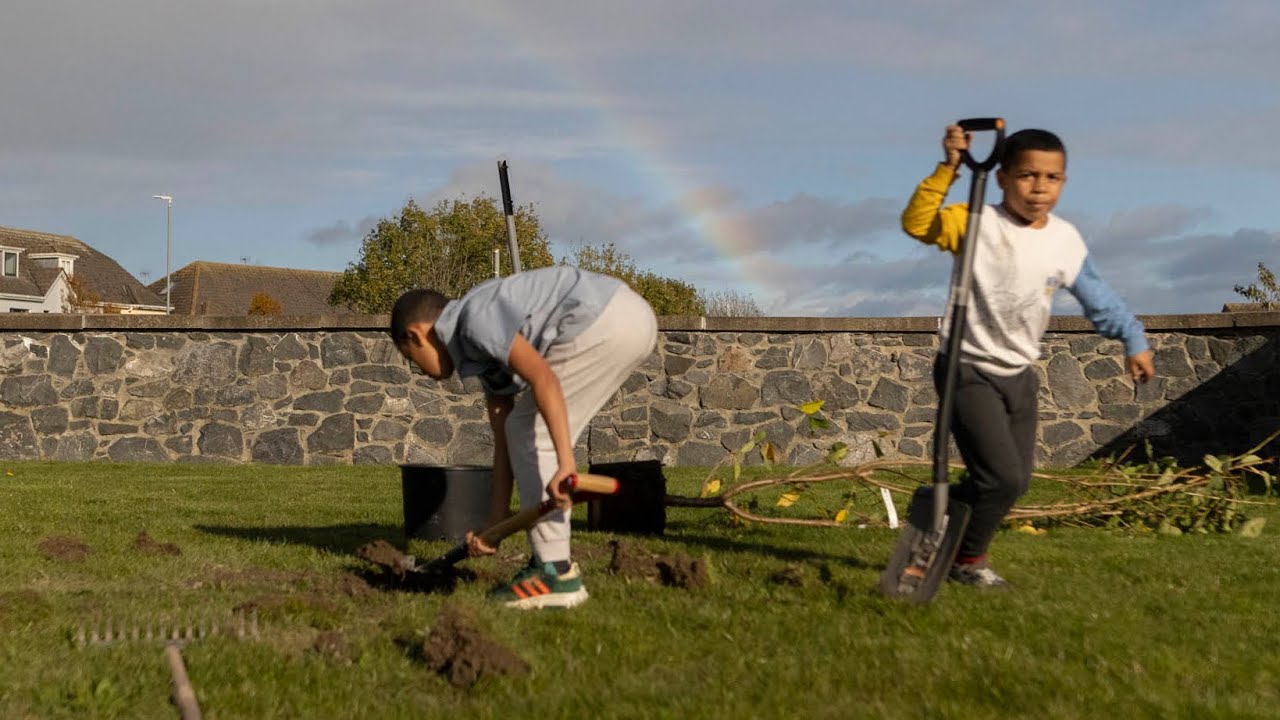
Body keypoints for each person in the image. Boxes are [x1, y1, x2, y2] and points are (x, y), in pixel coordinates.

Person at [901, 124, 1157, 588]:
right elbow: (918, 224)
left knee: (1015, 481)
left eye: (1052, 178)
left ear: (1063, 181)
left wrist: (1132, 340)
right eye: (1027, 176)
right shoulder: (974, 220)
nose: (1040, 188)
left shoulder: (1064, 238)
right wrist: (949, 168)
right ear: (1001, 178)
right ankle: (967, 561)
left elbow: (1096, 295)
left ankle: (943, 509)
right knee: (998, 477)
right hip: (967, 366)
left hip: (1019, 371)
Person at [390, 266, 657, 609]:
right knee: (522, 428)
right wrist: (495, 520)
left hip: (603, 319)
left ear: (415, 334)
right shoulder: (479, 352)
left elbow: (543, 378)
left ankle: (554, 572)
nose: (421, 371)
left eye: (412, 359)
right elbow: (504, 437)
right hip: (628, 321)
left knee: (534, 433)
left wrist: (565, 464)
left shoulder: (474, 318)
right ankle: (551, 565)